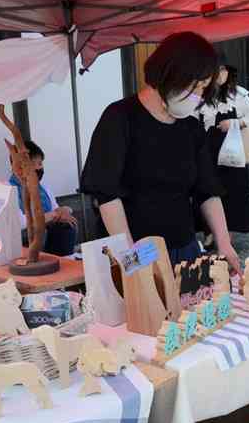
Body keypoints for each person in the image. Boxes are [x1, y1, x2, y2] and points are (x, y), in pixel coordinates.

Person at [80, 32, 240, 271]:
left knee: (190, 307)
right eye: (194, 85)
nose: (197, 95)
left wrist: (224, 244)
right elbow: (107, 195)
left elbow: (208, 190)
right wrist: (132, 259)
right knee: (143, 307)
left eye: (203, 88)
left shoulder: (191, 127)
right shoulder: (120, 118)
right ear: (171, 74)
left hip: (184, 247)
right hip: (135, 248)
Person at [196, 52, 249, 247]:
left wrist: (233, 122)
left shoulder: (238, 95)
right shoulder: (198, 95)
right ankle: (208, 232)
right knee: (206, 189)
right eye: (217, 70)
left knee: (233, 192)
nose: (221, 74)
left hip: (233, 152)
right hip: (206, 152)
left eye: (223, 70)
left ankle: (228, 234)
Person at [8, 140, 78, 257]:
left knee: (67, 225)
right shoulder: (8, 190)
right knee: (41, 232)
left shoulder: (42, 186)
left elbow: (55, 209)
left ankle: (64, 260)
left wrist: (64, 211)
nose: (41, 168)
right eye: (39, 164)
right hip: (21, 238)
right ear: (23, 165)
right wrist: (51, 215)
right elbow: (19, 223)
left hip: (45, 230)